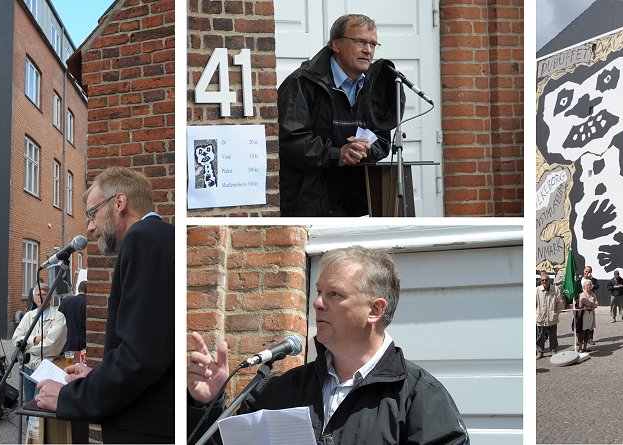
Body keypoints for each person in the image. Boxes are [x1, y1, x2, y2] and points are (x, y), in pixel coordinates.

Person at [187, 246, 469, 444]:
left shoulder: (419, 397)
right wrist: (207, 404)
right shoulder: (279, 390)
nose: (317, 303)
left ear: (375, 310)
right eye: (320, 291)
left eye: (335, 294)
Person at [34, 167, 173, 443]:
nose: (89, 227)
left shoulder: (142, 238)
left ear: (119, 204)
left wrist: (70, 397)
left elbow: (139, 359)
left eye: (92, 213)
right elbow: (152, 346)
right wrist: (97, 375)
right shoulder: (162, 237)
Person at [277, 14, 392, 216]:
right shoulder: (302, 83)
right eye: (360, 42)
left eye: (373, 44)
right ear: (336, 44)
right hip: (310, 203)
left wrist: (364, 150)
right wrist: (337, 154)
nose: (368, 50)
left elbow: (382, 138)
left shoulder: (375, 88)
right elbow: (289, 139)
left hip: (358, 205)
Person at [12, 283, 66, 401]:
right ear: (34, 297)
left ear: (50, 297)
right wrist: (36, 339)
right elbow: (16, 339)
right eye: (38, 295)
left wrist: (26, 346)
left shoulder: (58, 317)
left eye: (44, 295)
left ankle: (35, 420)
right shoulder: (28, 316)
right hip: (27, 365)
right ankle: (28, 420)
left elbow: (51, 346)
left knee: (39, 402)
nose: (41, 297)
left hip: (46, 365)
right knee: (27, 402)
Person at [537, 271, 564, 359]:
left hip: (552, 317)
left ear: (549, 280)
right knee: (540, 337)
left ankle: (554, 351)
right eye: (542, 280)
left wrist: (557, 312)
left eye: (546, 280)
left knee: (553, 336)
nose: (544, 282)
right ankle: (540, 352)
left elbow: (560, 302)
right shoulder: (537, 290)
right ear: (540, 281)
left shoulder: (555, 289)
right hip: (540, 317)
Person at [58, 281, 87, 352]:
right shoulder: (88, 303)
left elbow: (59, 320)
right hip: (82, 343)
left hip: (66, 342)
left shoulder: (65, 301)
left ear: (78, 289)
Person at [572, 279, 597, 353]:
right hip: (583, 315)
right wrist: (592, 304)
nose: (589, 286)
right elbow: (587, 302)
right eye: (588, 285)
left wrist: (592, 304)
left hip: (590, 314)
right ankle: (580, 348)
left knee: (587, 331)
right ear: (585, 286)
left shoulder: (592, 294)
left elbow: (596, 303)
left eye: (590, 285)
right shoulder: (582, 294)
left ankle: (585, 347)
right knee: (582, 332)